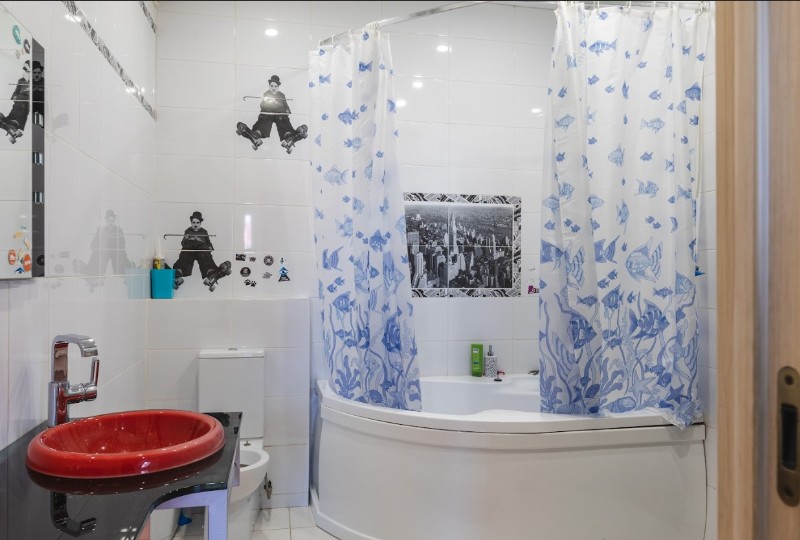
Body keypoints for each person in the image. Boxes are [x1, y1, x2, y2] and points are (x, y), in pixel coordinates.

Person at [172, 211, 225, 288]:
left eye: (197, 222)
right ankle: (179, 272)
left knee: (205, 255)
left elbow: (208, 243)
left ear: (200, 223)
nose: (195, 224)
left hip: (201, 250)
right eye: (193, 222)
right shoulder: (188, 231)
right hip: (190, 249)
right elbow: (183, 243)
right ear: (191, 223)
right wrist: (186, 239)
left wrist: (210, 247)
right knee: (185, 253)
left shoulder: (204, 232)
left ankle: (210, 273)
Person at [250, 74, 297, 142]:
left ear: (278, 87)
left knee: (283, 120)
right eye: (271, 86)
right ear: (269, 86)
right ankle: (258, 132)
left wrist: (287, 110)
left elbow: (285, 105)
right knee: (264, 120)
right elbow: (262, 105)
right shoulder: (266, 94)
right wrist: (266, 101)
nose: (273, 88)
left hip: (279, 114)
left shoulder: (281, 95)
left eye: (275, 86)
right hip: (269, 113)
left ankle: (287, 134)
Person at [0, 60, 31, 142]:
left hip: (23, 107)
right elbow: (16, 92)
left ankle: (12, 130)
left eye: (27, 70)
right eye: (24, 69)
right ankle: (10, 129)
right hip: (16, 107)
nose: (25, 72)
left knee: (18, 114)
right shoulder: (21, 80)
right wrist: (15, 96)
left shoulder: (34, 82)